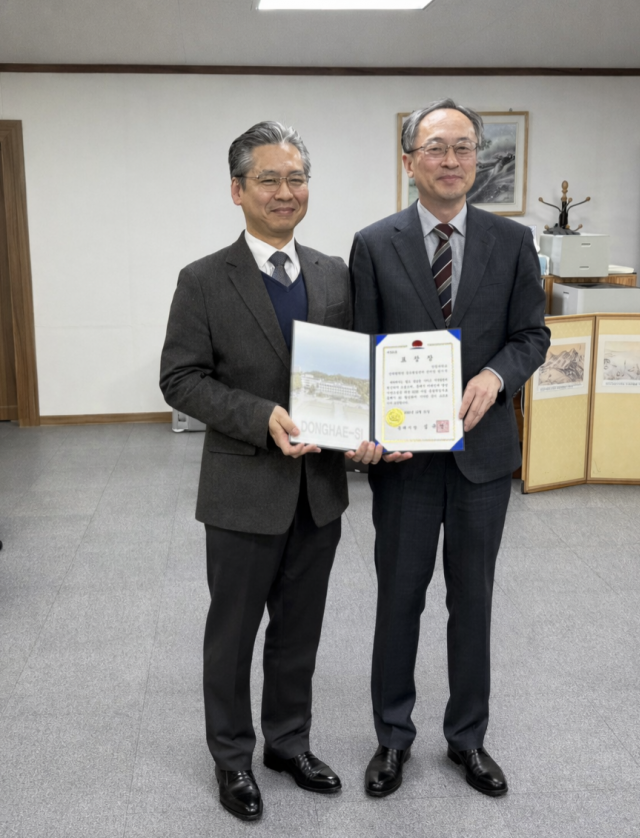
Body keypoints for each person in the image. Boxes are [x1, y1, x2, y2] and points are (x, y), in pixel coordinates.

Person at [160, 121, 383, 822]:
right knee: (232, 634)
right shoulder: (201, 280)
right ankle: (232, 759)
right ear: (237, 190)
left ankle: (288, 743)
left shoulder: (332, 273)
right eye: (269, 179)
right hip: (241, 490)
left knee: (299, 630)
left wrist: (369, 427)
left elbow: (355, 369)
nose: (286, 193)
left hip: (318, 492)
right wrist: (259, 416)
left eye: (297, 179)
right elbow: (181, 379)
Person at [349, 99, 550, 799]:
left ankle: (467, 739)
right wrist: (367, 430)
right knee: (397, 600)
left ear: (477, 160)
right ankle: (392, 739)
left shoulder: (512, 242)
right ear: (409, 162)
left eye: (463, 147)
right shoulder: (374, 244)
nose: (450, 160)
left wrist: (496, 377)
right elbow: (364, 352)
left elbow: (531, 336)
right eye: (435, 148)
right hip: (404, 463)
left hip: (481, 459)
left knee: (474, 600)